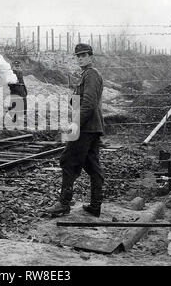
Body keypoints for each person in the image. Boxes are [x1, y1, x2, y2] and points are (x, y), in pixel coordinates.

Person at [46, 43, 105, 217]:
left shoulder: (91, 75)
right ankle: (95, 205)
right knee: (92, 165)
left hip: (86, 127)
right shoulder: (85, 75)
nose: (80, 58)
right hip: (92, 126)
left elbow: (89, 103)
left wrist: (76, 123)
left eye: (84, 55)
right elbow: (78, 102)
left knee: (68, 160)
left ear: (91, 56)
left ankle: (64, 204)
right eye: (78, 56)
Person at [8, 60, 28, 126]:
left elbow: (22, 82)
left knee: (22, 105)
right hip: (15, 91)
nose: (18, 67)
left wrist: (25, 90)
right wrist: (13, 85)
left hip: (21, 91)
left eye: (18, 66)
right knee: (14, 105)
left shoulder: (20, 72)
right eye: (16, 66)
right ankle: (14, 119)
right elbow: (9, 83)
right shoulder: (11, 73)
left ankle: (18, 119)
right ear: (13, 66)